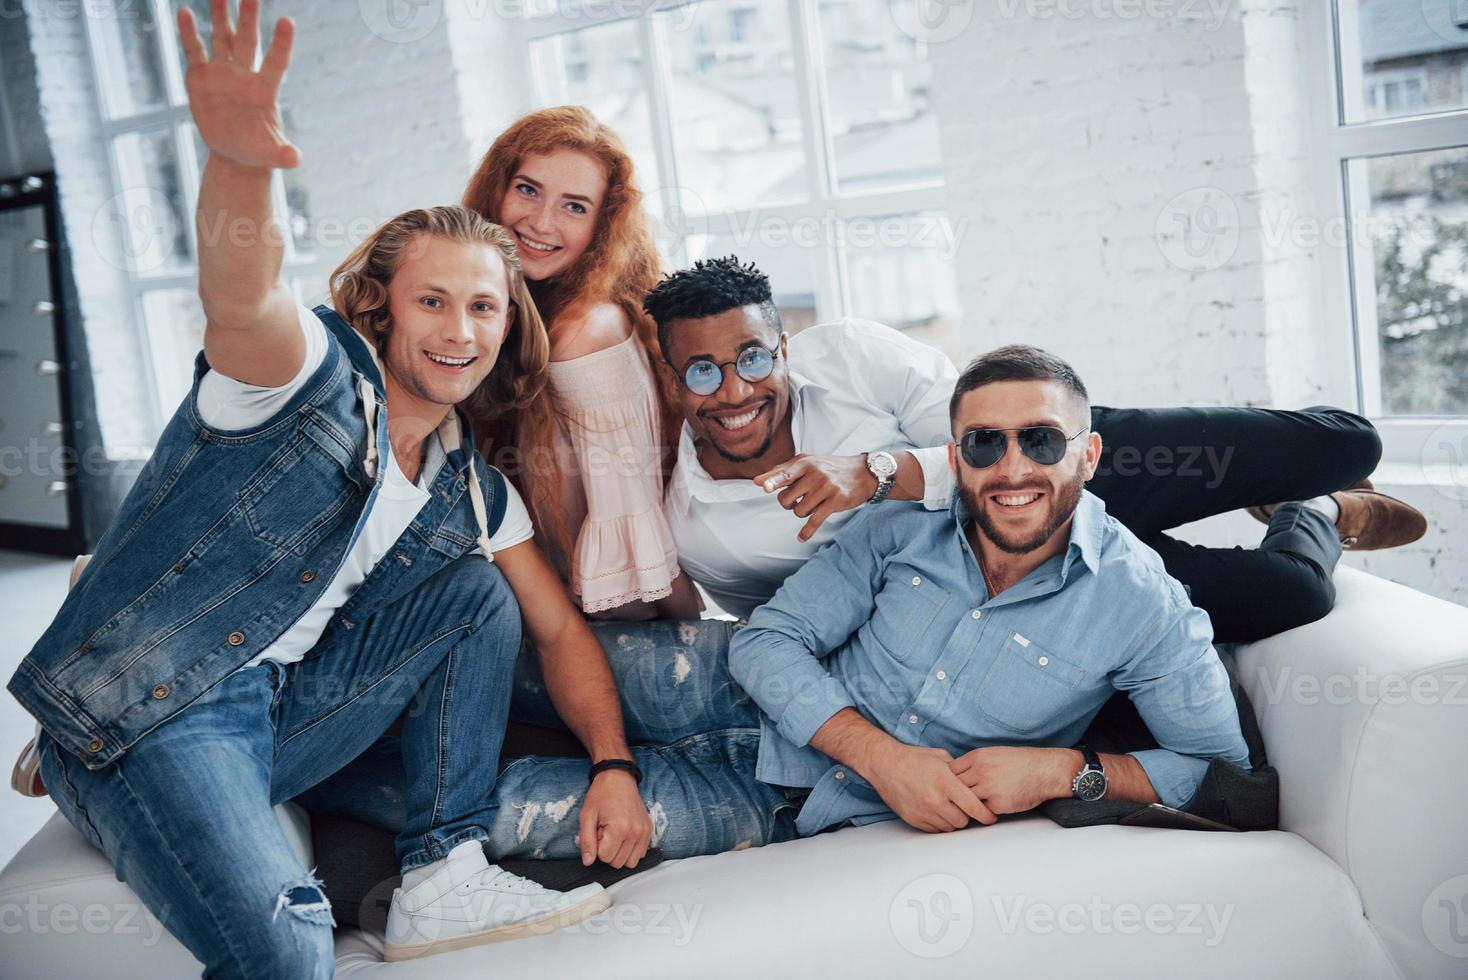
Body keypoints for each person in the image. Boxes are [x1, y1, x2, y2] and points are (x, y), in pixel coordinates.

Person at [6, 3, 653, 971]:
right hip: (175, 704)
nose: (459, 329)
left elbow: (557, 629)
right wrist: (240, 165)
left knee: (478, 594)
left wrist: (613, 764)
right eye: (431, 301)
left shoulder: (466, 484)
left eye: (482, 307)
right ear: (380, 308)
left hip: (281, 708)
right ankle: (88, 740)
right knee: (291, 948)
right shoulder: (301, 376)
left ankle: (440, 877)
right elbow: (242, 296)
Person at [308, 345, 1255, 859]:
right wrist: (884, 757)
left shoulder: (1144, 605)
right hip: (724, 686)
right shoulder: (902, 526)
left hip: (781, 804)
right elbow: (768, 644)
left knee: (490, 813)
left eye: (1042, 443)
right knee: (519, 657)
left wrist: (1063, 774)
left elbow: (1221, 776)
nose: (1012, 470)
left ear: (1087, 456)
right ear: (955, 451)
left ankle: (289, 776)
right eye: (983, 445)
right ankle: (288, 687)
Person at [646, 256, 1426, 643]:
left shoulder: (852, 354)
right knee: (1297, 596)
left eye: (753, 358)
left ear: (782, 347)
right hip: (1029, 577)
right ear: (674, 378)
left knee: (1349, 440)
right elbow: (799, 626)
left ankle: (1278, 477)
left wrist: (877, 473)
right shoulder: (704, 526)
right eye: (704, 371)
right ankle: (1315, 510)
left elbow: (985, 432)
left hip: (1062, 461)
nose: (735, 391)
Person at [461, 107, 701, 620]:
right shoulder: (503, 307)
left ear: (601, 226)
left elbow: (637, 545)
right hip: (534, 599)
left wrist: (689, 646)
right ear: (495, 191)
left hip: (599, 614)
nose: (541, 221)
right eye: (527, 189)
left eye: (574, 206)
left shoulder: (585, 331)